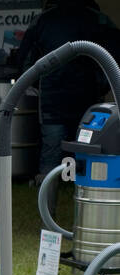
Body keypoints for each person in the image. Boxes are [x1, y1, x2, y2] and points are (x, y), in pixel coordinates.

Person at [13, 0, 120, 177]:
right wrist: (102, 84)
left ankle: (48, 194)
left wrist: (36, 84)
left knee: (51, 153)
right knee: (90, 148)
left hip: (53, 99)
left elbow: (24, 60)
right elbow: (115, 56)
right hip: (88, 99)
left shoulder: (42, 21)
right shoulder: (98, 19)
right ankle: (86, 186)